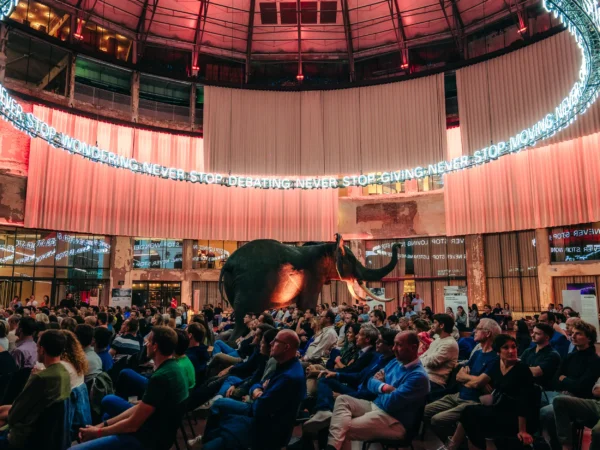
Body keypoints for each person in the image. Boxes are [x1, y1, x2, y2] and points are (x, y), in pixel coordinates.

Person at [71, 327, 188, 450]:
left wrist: (98, 432)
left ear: (155, 346)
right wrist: (101, 426)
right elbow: (140, 408)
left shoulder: (160, 378)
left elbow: (132, 425)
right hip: (159, 435)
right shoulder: (174, 368)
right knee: (107, 412)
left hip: (147, 441)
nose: (146, 344)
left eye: (149, 341)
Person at [199, 329, 306, 450]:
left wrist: (257, 393)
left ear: (286, 347)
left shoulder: (288, 377)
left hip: (266, 429)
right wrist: (257, 390)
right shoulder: (285, 365)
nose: (271, 343)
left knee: (210, 445)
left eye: (275, 341)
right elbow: (259, 383)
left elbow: (259, 408)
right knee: (219, 404)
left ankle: (213, 439)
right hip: (261, 414)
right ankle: (211, 438)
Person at [325, 331, 430, 450]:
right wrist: (385, 388)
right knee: (342, 399)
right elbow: (370, 381)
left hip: (395, 420)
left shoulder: (418, 376)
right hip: (377, 405)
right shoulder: (395, 362)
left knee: (342, 429)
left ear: (413, 348)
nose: (394, 348)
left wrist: (380, 387)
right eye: (394, 344)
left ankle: (331, 447)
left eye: (399, 345)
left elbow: (390, 404)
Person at [443, 335, 536, 450]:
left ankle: (453, 446)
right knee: (468, 412)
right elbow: (478, 382)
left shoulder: (522, 369)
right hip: (499, 407)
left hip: (515, 415)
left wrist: (522, 430)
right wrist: (470, 383)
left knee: (472, 416)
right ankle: (455, 445)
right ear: (498, 351)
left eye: (513, 347)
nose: (511, 351)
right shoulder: (496, 363)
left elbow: (525, 402)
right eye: (506, 348)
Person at [303, 329, 399, 433]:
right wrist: (336, 374)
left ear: (390, 347)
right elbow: (359, 375)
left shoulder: (389, 364)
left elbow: (371, 393)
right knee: (325, 378)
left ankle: (316, 413)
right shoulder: (378, 357)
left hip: (364, 398)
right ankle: (322, 411)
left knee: (324, 398)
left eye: (380, 341)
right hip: (355, 388)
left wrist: (344, 395)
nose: (376, 342)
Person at [424, 318, 501, 443]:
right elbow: (459, 376)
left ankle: (456, 444)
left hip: (473, 401)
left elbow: (477, 383)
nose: (474, 331)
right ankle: (454, 442)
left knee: (437, 420)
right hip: (459, 395)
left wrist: (471, 380)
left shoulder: (495, 358)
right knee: (424, 411)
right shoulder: (477, 353)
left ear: (488, 333)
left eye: (478, 328)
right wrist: (473, 380)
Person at [0, 330, 71, 449]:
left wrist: (32, 378)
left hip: (25, 436)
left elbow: (15, 415)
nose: (36, 350)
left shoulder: (41, 378)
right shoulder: (64, 372)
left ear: (42, 350)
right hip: (47, 434)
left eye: (37, 347)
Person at [540, 320, 600, 450]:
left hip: (580, 398)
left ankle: (558, 446)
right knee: (531, 401)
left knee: (546, 413)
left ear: (589, 338)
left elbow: (583, 387)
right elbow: (555, 380)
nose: (573, 336)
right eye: (572, 333)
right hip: (560, 393)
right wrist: (568, 382)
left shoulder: (594, 360)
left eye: (578, 334)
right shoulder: (570, 356)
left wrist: (565, 380)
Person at [553, 378, 600, 450]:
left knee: (597, 432)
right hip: (597, 404)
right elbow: (596, 391)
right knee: (559, 401)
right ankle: (566, 447)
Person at [420, 314, 459, 391]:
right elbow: (424, 355)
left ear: (441, 325)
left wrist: (419, 361)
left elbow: (431, 362)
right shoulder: (438, 340)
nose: (432, 325)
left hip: (434, 381)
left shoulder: (450, 343)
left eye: (434, 322)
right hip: (424, 376)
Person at [520, 323, 561, 391]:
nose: (532, 335)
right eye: (533, 332)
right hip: (525, 387)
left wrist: (519, 368)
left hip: (543, 391)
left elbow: (536, 372)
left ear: (547, 337)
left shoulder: (553, 355)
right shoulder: (528, 351)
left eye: (537, 334)